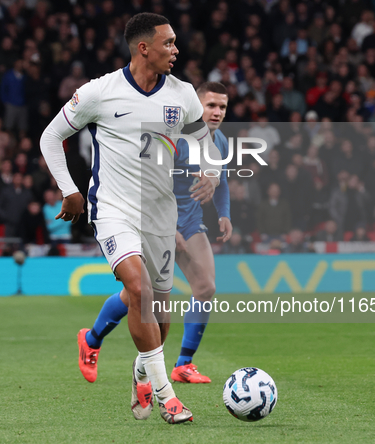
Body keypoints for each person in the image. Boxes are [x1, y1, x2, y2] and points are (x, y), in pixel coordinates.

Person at [40, 13, 220, 424]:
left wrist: (210, 173)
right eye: (168, 43)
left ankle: (142, 371)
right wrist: (69, 189)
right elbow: (50, 136)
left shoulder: (184, 94)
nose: (176, 50)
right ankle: (166, 397)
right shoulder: (99, 92)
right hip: (114, 210)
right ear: (144, 48)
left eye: (175, 43)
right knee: (136, 289)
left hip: (160, 214)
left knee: (159, 314)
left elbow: (203, 143)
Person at [79, 81, 232, 385]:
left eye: (222, 107)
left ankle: (184, 364)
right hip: (156, 220)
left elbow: (222, 179)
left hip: (190, 222)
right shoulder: (175, 136)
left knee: (206, 288)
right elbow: (147, 183)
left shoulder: (221, 142)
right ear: (194, 105)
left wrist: (224, 213)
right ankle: (92, 339)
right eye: (210, 105)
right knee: (137, 295)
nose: (216, 112)